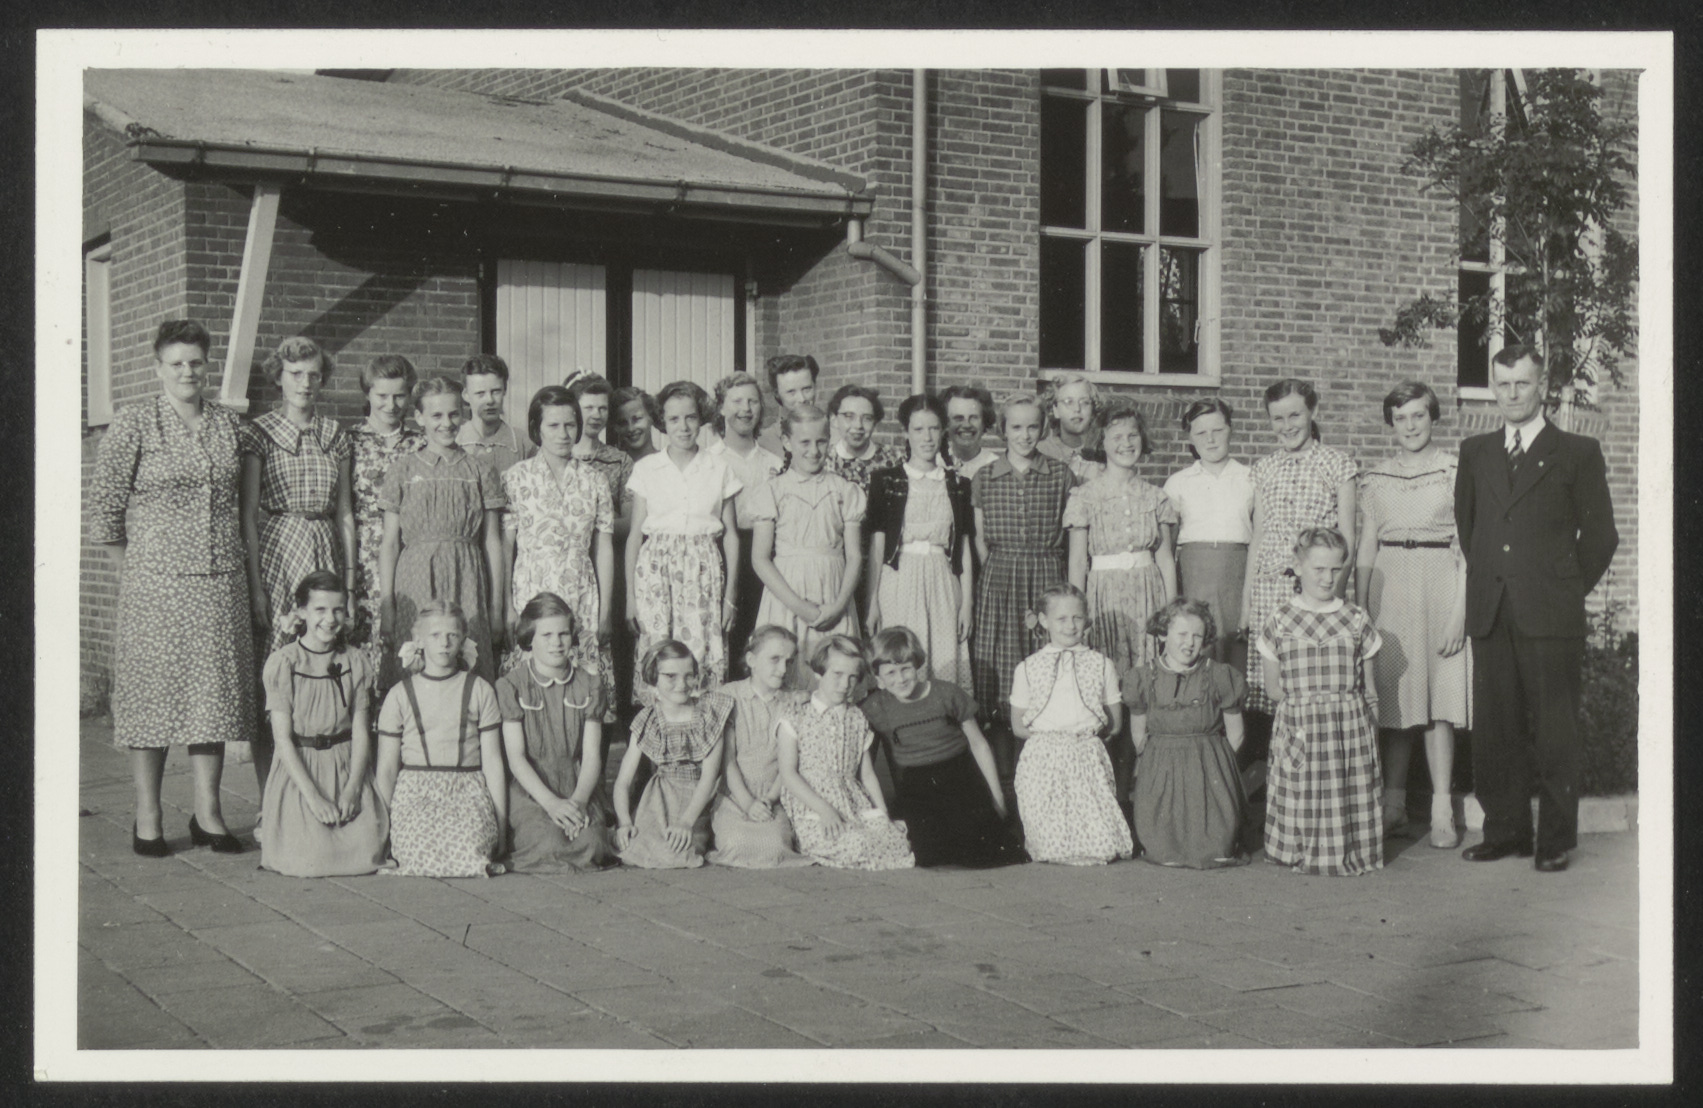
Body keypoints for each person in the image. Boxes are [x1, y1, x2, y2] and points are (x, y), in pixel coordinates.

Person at [86, 319, 254, 856]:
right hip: (155, 587)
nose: (187, 371)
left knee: (213, 698)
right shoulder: (135, 422)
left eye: (196, 362)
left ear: (208, 365)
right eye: (176, 362)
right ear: (158, 367)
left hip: (219, 581)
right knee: (150, 700)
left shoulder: (228, 426)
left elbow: (243, 502)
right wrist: (133, 572)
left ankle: (208, 812)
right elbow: (105, 511)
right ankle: (149, 816)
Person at [1455, 346, 1618, 873]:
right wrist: (1495, 581)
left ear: (1542, 386)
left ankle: (1552, 840)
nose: (1512, 395)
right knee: (1496, 729)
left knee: (1554, 730)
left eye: (1522, 384)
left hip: (1551, 613)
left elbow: (1601, 537)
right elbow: (1470, 529)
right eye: (1502, 385)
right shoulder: (1476, 451)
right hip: (1492, 609)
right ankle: (1505, 831)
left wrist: (1564, 589)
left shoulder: (1577, 451)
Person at [1355, 381, 1470, 849]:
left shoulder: (1454, 472)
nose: (1410, 426)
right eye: (1400, 418)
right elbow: (1367, 545)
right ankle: (1394, 807)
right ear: (1391, 424)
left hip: (1440, 582)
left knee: (1440, 700)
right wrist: (1361, 607)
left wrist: (1460, 613)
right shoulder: (1375, 478)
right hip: (1390, 586)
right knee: (1395, 697)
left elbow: (1469, 547)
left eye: (1418, 415)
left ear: (1433, 417)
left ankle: (1442, 810)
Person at [239, 336, 356, 798]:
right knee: (277, 671)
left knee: (323, 665)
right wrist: (257, 587)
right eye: (295, 374)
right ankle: (270, 795)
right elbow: (249, 513)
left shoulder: (335, 434)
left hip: (324, 547)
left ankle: (321, 786)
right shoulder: (260, 432)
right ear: (279, 378)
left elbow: (344, 512)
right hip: (279, 552)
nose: (305, 383)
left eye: (313, 374)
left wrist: (349, 584)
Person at [1065, 401, 1177, 818]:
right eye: (1116, 437)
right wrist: (1077, 616)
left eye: (1133, 435)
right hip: (1105, 600)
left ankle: (1139, 792)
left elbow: (1165, 559)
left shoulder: (1156, 496)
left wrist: (1170, 614)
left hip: (1148, 596)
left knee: (1143, 694)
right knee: (1109, 693)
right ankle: (1107, 794)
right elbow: (1077, 561)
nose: (1126, 443)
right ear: (1102, 442)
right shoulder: (1085, 496)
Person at [1258, 527, 1383, 876]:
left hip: (1347, 728)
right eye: (1319, 569)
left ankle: (1348, 851)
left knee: (1346, 791)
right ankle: (1296, 850)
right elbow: (1273, 688)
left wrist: (1368, 735)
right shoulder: (1280, 620)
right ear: (1298, 567)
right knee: (1301, 790)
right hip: (1300, 726)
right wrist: (1305, 713)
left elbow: (1370, 690)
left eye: (1335, 569)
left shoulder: (1356, 619)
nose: (1328, 578)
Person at [970, 393, 1075, 784]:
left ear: (1043, 428)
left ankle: (1045, 773)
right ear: (1002, 430)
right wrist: (998, 575)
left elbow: (1070, 535)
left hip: (1046, 572)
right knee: (1002, 674)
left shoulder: (1060, 475)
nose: (1025, 435)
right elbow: (980, 539)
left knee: (1046, 666)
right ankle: (1005, 779)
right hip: (1000, 579)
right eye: (1016, 427)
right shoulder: (984, 477)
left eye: (1033, 426)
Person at [258, 571, 389, 877]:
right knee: (310, 857)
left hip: (345, 766)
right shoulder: (284, 663)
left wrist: (353, 789)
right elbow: (283, 740)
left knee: (369, 847)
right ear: (302, 612)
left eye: (338, 610)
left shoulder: (355, 661)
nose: (330, 619)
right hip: (302, 772)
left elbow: (360, 731)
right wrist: (314, 798)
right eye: (320, 610)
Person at [378, 376, 507, 685]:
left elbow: (492, 542)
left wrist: (496, 607)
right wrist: (387, 605)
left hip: (468, 576)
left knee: (468, 659)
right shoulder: (402, 469)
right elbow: (390, 544)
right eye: (436, 415)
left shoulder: (480, 470)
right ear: (419, 417)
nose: (446, 423)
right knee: (417, 657)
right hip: (415, 578)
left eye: (453, 414)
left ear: (463, 415)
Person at [860, 627, 1025, 868]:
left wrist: (997, 797)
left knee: (983, 851)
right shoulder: (876, 707)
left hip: (959, 779)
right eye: (890, 672)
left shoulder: (946, 694)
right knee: (930, 857)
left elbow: (979, 745)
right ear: (878, 679)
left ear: (917, 665)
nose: (900, 679)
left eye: (906, 668)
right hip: (917, 787)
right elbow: (861, 749)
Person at [1241, 379, 1358, 717]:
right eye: (1277, 418)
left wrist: (1333, 594)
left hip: (1317, 589)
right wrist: (1247, 601)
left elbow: (1347, 538)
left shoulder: (1338, 464)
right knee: (1272, 689)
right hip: (1270, 591)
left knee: (1314, 681)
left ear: (1313, 412)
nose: (1287, 426)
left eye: (1294, 415)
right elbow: (1258, 537)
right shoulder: (1264, 469)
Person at [625, 381, 743, 702]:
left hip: (702, 572)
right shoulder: (647, 468)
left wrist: (730, 596)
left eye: (690, 417)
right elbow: (635, 535)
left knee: (699, 650)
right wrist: (631, 598)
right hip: (654, 573)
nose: (683, 427)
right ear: (661, 421)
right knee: (658, 650)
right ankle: (658, 727)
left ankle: (701, 725)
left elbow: (731, 535)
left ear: (701, 418)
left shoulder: (718, 467)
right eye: (674, 419)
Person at [501, 386, 615, 712]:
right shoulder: (516, 478)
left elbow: (603, 546)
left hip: (581, 593)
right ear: (537, 428)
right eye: (553, 425)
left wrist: (605, 610)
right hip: (531, 591)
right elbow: (507, 546)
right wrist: (507, 606)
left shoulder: (594, 480)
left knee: (582, 687)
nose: (564, 434)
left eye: (570, 424)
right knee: (532, 688)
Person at [374, 599, 507, 877]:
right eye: (435, 635)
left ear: (463, 640)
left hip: (467, 791)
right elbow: (386, 768)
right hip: (416, 794)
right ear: (419, 640)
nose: (444, 643)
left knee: (470, 848)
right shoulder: (399, 694)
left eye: (452, 635)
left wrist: (502, 824)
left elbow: (493, 762)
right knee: (417, 850)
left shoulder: (480, 690)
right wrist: (382, 831)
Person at [1008, 585, 1132, 865]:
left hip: (1085, 753)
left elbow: (1114, 722)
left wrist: (1086, 739)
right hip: (1044, 757)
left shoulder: (1101, 664)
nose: (1070, 626)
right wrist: (1051, 742)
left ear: (1086, 619)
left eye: (1077, 618)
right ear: (1044, 621)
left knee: (1100, 841)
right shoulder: (1028, 667)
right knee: (1050, 839)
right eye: (1061, 619)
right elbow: (1018, 725)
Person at [495, 592, 617, 873]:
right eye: (546, 635)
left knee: (592, 842)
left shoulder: (589, 684)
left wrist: (579, 802)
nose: (556, 643)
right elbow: (516, 758)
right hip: (532, 788)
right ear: (529, 638)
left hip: (576, 783)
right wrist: (551, 803)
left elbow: (591, 757)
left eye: (563, 634)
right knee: (547, 841)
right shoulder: (512, 686)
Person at [749, 403, 865, 691]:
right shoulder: (773, 490)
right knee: (787, 674)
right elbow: (760, 559)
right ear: (787, 442)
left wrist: (838, 606)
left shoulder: (844, 490)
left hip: (833, 594)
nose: (814, 450)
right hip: (788, 595)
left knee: (834, 675)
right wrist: (800, 608)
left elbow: (854, 556)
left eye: (821, 441)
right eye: (804, 442)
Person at [1125, 598, 1248, 869]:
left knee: (1216, 846)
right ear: (1162, 635)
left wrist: (1214, 764)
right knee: (1162, 848)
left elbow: (1236, 735)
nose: (1189, 643)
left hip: (1207, 768)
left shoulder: (1219, 676)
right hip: (1161, 768)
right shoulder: (1143, 678)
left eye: (1197, 636)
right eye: (1181, 634)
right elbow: (1138, 735)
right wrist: (1156, 766)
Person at [776, 635, 915, 870]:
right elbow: (788, 774)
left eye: (852, 677)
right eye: (837, 674)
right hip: (813, 805)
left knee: (898, 840)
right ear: (819, 672)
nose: (845, 684)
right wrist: (824, 810)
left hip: (852, 802)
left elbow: (867, 774)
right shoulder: (797, 714)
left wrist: (883, 814)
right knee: (856, 843)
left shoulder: (856, 717)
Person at [866, 394, 975, 689]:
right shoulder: (885, 481)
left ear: (943, 431)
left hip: (943, 582)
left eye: (934, 428)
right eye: (918, 429)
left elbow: (963, 549)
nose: (927, 437)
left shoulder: (958, 485)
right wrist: (872, 602)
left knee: (943, 662)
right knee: (899, 657)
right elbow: (877, 548)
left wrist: (966, 604)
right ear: (906, 432)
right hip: (898, 581)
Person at [612, 641, 730, 869]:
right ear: (653, 678)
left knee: (678, 853)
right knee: (633, 848)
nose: (682, 684)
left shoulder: (708, 714)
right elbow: (622, 782)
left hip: (698, 801)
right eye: (670, 676)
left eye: (688, 676)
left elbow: (709, 778)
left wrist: (686, 822)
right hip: (660, 799)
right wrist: (624, 821)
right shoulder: (648, 720)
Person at [705, 626, 815, 869]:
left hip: (774, 795)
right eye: (775, 659)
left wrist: (770, 798)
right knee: (736, 844)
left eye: (789, 661)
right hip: (734, 795)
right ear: (751, 660)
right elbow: (727, 759)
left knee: (775, 846)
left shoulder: (792, 702)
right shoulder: (728, 696)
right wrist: (747, 803)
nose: (783, 669)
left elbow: (790, 763)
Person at [348, 355, 424, 686]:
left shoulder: (420, 443)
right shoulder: (350, 441)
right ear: (368, 393)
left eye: (399, 396)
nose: (391, 405)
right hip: (362, 556)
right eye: (382, 396)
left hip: (407, 553)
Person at [567, 374, 638, 721]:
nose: (596, 415)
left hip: (608, 564)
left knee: (609, 643)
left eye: (602, 408)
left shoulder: (619, 461)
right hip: (567, 565)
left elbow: (630, 519)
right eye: (588, 407)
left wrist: (593, 526)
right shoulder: (554, 455)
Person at [1163, 398, 1253, 669]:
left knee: (1236, 646)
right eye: (1201, 433)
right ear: (1190, 438)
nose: (1210, 440)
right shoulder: (1178, 483)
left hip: (1237, 573)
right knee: (1197, 643)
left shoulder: (1250, 478)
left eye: (1218, 430)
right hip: (1194, 573)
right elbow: (1167, 548)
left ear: (1230, 430)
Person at [706, 372, 786, 665]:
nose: (746, 409)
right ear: (721, 408)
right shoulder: (709, 461)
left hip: (766, 553)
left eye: (752, 401)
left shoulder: (775, 463)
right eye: (737, 401)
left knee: (761, 634)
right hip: (724, 552)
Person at [456, 353, 534, 476]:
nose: (490, 400)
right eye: (480, 393)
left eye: (496, 391)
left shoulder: (523, 443)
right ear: (466, 395)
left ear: (505, 390)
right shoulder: (456, 441)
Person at [827, 383, 906, 492]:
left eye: (867, 418)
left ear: (875, 423)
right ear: (834, 419)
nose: (858, 425)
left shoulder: (893, 460)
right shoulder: (825, 461)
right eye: (849, 416)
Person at [1036, 373, 1103, 479]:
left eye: (1084, 402)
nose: (1077, 409)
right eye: (1068, 402)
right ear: (1055, 410)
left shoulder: (1104, 452)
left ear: (1093, 409)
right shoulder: (1041, 452)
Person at [758, 353, 821, 462]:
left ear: (815, 387)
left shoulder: (834, 436)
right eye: (791, 392)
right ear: (777, 394)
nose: (802, 398)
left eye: (807, 389)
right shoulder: (763, 442)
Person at [940, 384, 1001, 480]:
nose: (967, 425)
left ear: (984, 422)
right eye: (958, 418)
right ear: (946, 423)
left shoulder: (997, 468)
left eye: (973, 417)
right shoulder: (934, 464)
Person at [611, 386, 660, 464]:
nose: (630, 428)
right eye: (623, 423)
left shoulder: (668, 464)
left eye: (636, 419)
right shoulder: (614, 467)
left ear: (651, 417)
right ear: (616, 428)